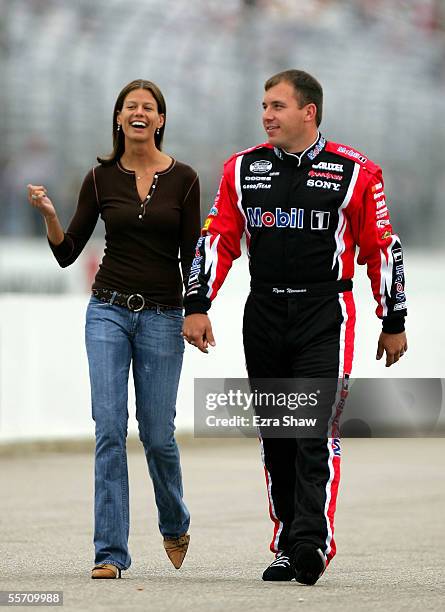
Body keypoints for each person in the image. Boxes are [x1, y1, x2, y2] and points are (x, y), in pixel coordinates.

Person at [182, 69, 407, 585]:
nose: (266, 115)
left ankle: (311, 543)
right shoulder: (241, 169)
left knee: (312, 431)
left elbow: (382, 250)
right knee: (277, 435)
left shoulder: (355, 170)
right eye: (264, 105)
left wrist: (393, 319)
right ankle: (286, 543)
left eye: (278, 106)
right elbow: (218, 240)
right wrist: (197, 304)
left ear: (309, 111)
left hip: (326, 313)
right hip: (262, 313)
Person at [27, 79, 200, 579]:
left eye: (148, 107)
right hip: (106, 310)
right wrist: (51, 217)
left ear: (160, 120)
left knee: (158, 435)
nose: (139, 113)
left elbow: (193, 255)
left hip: (165, 315)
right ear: (119, 119)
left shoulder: (185, 179)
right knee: (108, 430)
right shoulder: (100, 178)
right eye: (131, 107)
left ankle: (174, 519)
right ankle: (110, 553)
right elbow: (66, 253)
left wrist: (197, 309)